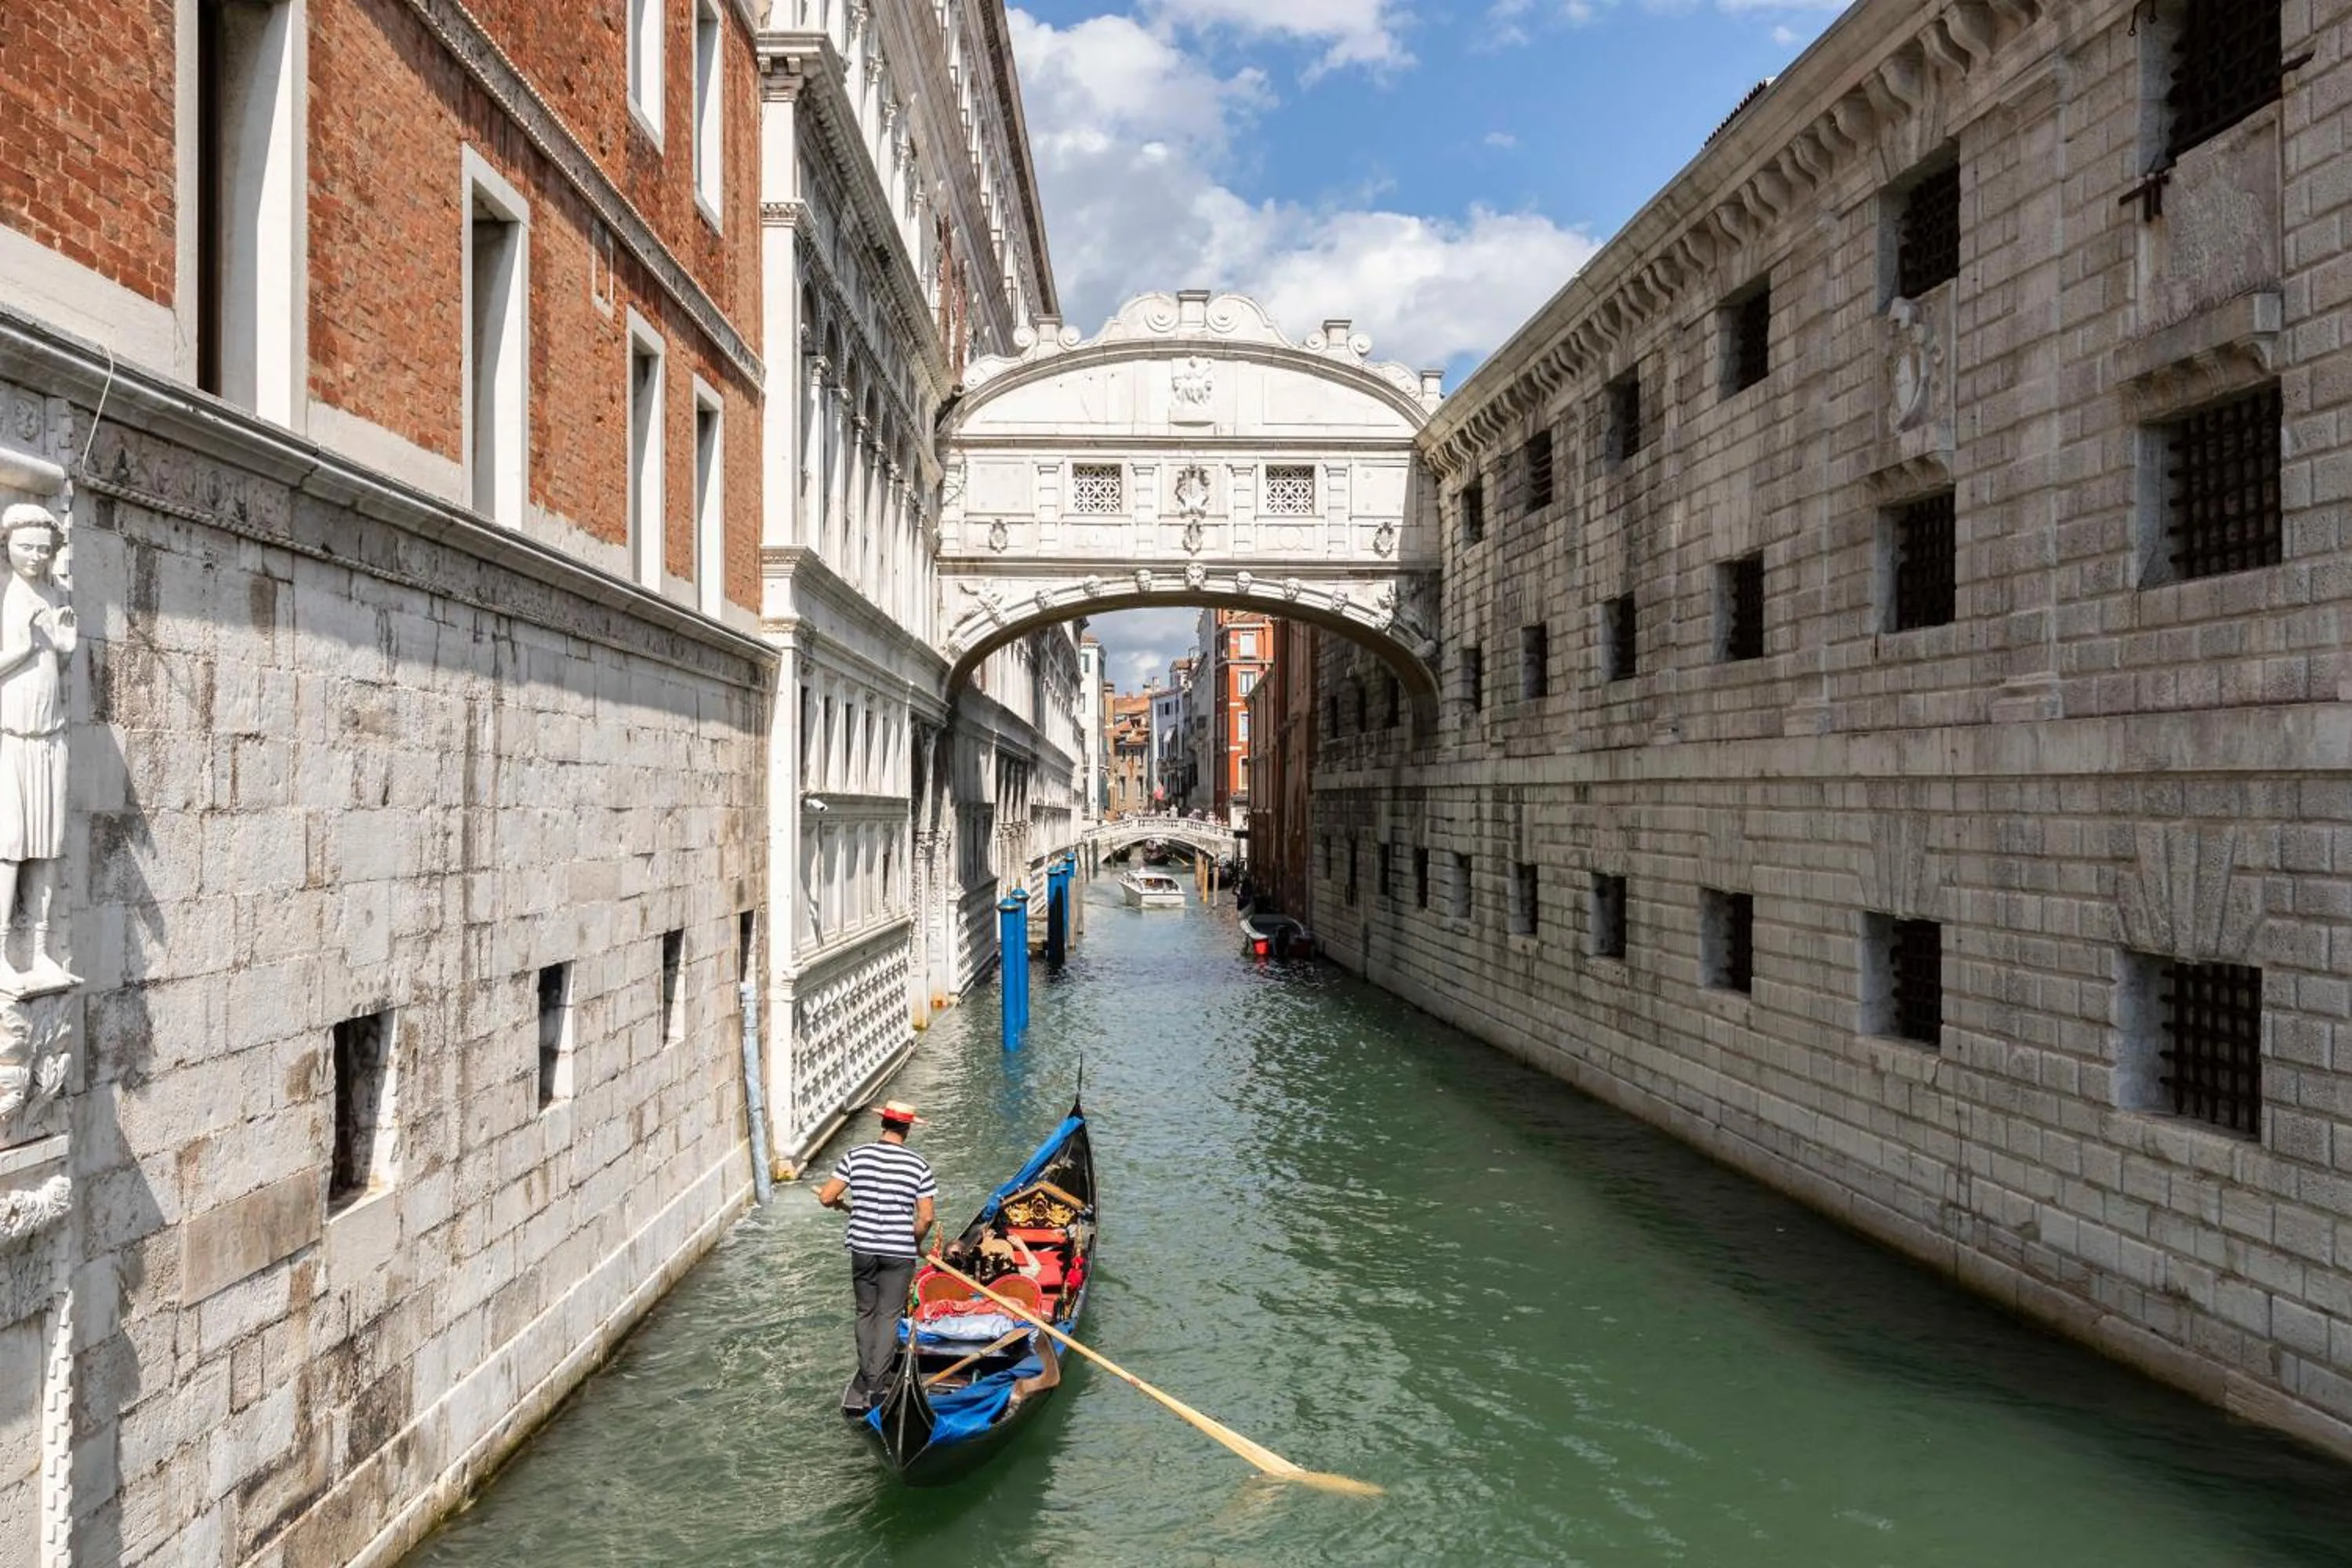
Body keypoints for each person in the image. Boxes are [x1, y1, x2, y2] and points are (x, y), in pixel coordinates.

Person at [816, 1100, 938, 1413]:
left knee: (866, 1312)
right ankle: (876, 1384)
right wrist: (914, 1241)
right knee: (888, 1315)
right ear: (907, 1128)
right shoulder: (918, 1165)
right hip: (898, 1252)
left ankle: (868, 1372)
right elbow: (925, 1218)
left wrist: (834, 1201)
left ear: (883, 1123)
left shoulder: (855, 1157)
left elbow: (828, 1197)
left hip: (863, 1248)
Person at [0, 506, 73, 990]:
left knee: (47, 846)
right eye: (26, 547)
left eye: (44, 549)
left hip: (51, 736)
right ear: (8, 545)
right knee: (9, 845)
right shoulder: (7, 595)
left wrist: (63, 649)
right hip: (13, 738)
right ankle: (3, 949)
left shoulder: (52, 593)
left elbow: (53, 673)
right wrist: (25, 643)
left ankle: (41, 949)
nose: (35, 556)